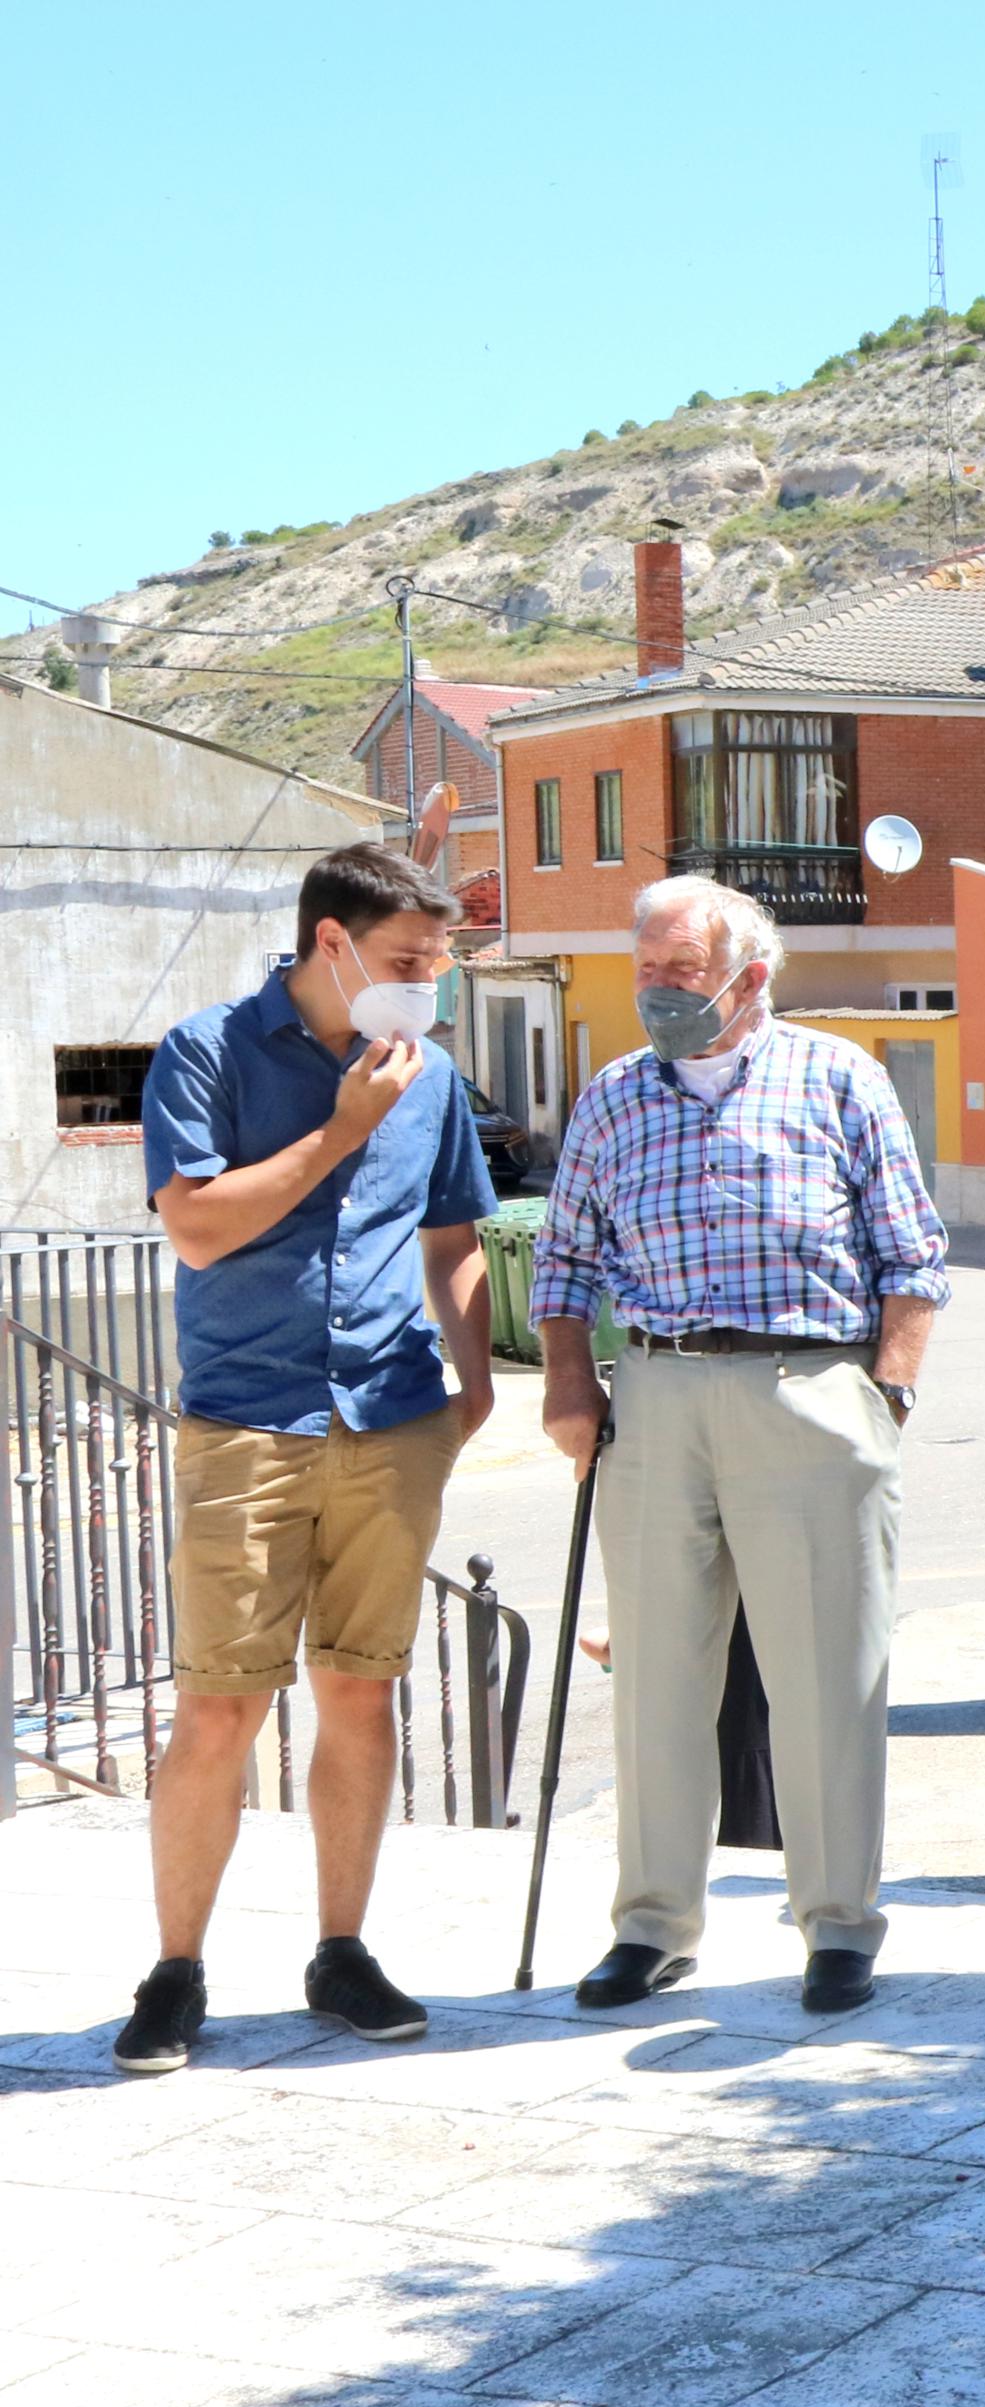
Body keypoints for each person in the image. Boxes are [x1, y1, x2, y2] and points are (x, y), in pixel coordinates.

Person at [111, 843, 496, 2073]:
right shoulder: (206, 1051)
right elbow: (199, 1229)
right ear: (330, 944)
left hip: (391, 1418)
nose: (424, 987)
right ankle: (175, 1973)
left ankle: (343, 1951)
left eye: (437, 964)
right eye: (405, 961)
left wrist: (474, 1373)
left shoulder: (426, 1075)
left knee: (362, 1689)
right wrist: (340, 1131)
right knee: (222, 1705)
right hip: (246, 1421)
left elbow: (454, 1237)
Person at [535, 875, 947, 2020]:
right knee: (659, 1676)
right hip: (658, 1392)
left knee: (827, 1678)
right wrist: (569, 1383)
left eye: (682, 973)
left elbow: (912, 1254)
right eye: (648, 971)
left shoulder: (840, 1078)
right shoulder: (615, 1096)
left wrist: (887, 1399)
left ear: (749, 977)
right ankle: (653, 1926)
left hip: (809, 1387)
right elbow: (563, 1262)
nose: (659, 993)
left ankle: (837, 1927)